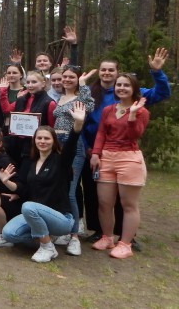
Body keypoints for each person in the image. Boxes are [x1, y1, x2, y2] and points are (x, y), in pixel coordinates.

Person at [81, 49, 169, 248]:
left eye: (111, 70)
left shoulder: (133, 94)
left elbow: (162, 93)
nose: (107, 73)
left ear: (117, 72)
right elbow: (85, 122)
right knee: (97, 196)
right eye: (103, 70)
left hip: (123, 152)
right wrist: (90, 149)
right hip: (94, 152)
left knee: (124, 198)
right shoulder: (91, 93)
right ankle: (100, 232)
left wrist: (157, 73)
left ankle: (126, 236)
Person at [1, 101, 85, 263]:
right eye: (39, 138)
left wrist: (78, 123)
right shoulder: (31, 162)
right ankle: (45, 237)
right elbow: (24, 189)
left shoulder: (61, 161)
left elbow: (71, 145)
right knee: (9, 234)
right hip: (35, 214)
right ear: (34, 140)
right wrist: (7, 183)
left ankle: (47, 247)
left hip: (61, 219)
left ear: (54, 141)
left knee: (28, 206)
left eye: (47, 138)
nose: (42, 141)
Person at [90, 74, 150, 259]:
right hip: (107, 157)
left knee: (128, 204)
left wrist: (132, 115)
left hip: (129, 158)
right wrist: (95, 154)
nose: (121, 88)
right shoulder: (108, 109)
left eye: (126, 85)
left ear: (134, 89)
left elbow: (135, 135)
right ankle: (107, 237)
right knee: (104, 202)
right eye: (119, 85)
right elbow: (101, 133)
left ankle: (125, 243)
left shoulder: (141, 111)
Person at [50, 65, 95, 252]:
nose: (66, 80)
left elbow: (89, 107)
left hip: (73, 144)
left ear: (77, 79)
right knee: (58, 188)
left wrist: (84, 85)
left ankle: (75, 236)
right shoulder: (59, 97)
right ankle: (63, 229)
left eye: (71, 77)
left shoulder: (80, 97)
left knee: (71, 190)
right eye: (64, 77)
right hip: (57, 145)